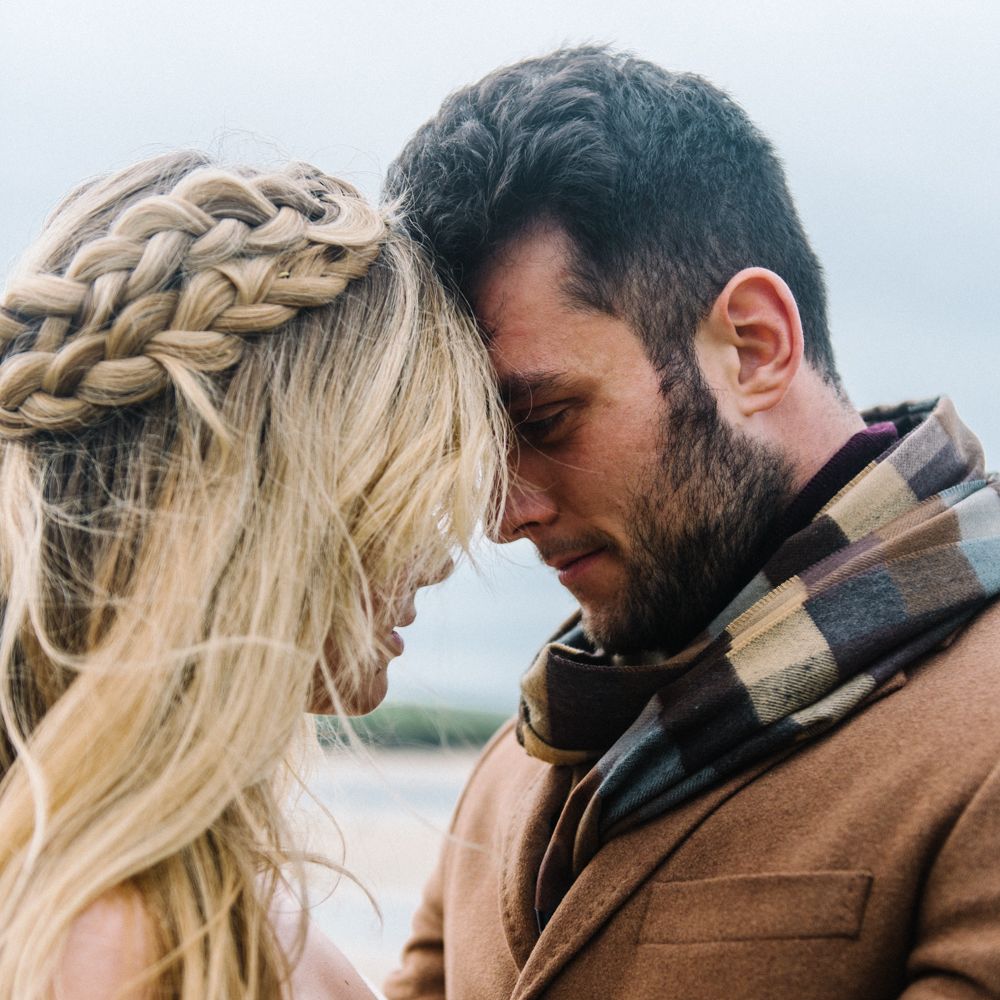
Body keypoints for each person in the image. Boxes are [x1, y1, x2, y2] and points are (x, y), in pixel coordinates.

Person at [383, 46, 1000, 1000]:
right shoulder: (513, 767)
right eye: (474, 450)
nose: (505, 516)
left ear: (752, 346)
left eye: (545, 420)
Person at [0, 151, 505, 998]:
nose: (437, 562)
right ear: (266, 517)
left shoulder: (180, 897)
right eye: (403, 498)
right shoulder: (126, 948)